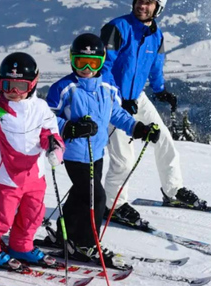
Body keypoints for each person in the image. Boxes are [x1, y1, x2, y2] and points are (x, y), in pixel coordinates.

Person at [99, 0, 205, 226]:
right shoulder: (117, 28)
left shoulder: (157, 36)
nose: (142, 6)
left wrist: (161, 90)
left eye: (148, 3)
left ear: (158, 8)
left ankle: (173, 191)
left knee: (164, 139)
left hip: (137, 98)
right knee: (123, 158)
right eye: (139, 0)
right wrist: (118, 98)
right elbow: (102, 67)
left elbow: (156, 66)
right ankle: (113, 204)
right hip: (113, 100)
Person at [45, 33, 159, 259]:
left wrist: (137, 128)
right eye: (80, 61)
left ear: (102, 61)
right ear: (71, 60)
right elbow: (47, 118)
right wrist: (71, 128)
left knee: (80, 195)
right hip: (75, 153)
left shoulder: (107, 85)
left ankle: (64, 233)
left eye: (93, 62)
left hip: (97, 152)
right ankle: (86, 243)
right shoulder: (65, 88)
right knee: (96, 197)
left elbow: (116, 112)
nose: (86, 67)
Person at [0, 52, 64, 266]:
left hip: (35, 174)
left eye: (20, 86)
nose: (14, 92)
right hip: (7, 176)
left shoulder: (40, 107)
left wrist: (54, 147)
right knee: (2, 218)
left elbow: (50, 131)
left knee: (33, 213)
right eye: (7, 85)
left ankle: (21, 245)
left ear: (33, 84)